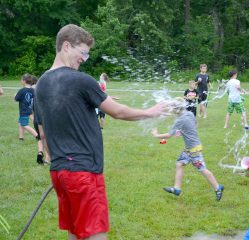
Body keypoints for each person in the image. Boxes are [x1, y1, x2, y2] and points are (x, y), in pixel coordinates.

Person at [35, 24, 166, 240]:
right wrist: (152, 112)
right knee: (95, 234)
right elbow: (119, 112)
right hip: (83, 173)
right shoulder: (81, 80)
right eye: (83, 52)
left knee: (75, 232)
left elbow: (43, 132)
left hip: (60, 172)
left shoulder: (41, 84)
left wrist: (60, 166)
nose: (85, 59)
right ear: (66, 46)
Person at [151, 98, 224, 201]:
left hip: (194, 150)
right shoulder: (189, 113)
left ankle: (218, 187)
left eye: (172, 108)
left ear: (175, 110)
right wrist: (183, 131)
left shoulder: (179, 120)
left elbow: (168, 135)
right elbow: (195, 125)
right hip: (191, 147)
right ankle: (177, 189)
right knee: (180, 164)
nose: (170, 110)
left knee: (202, 169)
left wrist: (156, 135)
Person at [15, 73, 38, 141]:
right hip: (30, 109)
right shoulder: (33, 90)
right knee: (20, 123)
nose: (20, 81)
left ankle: (37, 136)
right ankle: (21, 138)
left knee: (25, 125)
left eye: (21, 80)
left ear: (24, 81)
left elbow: (16, 99)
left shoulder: (21, 90)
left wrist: (15, 95)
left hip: (24, 110)